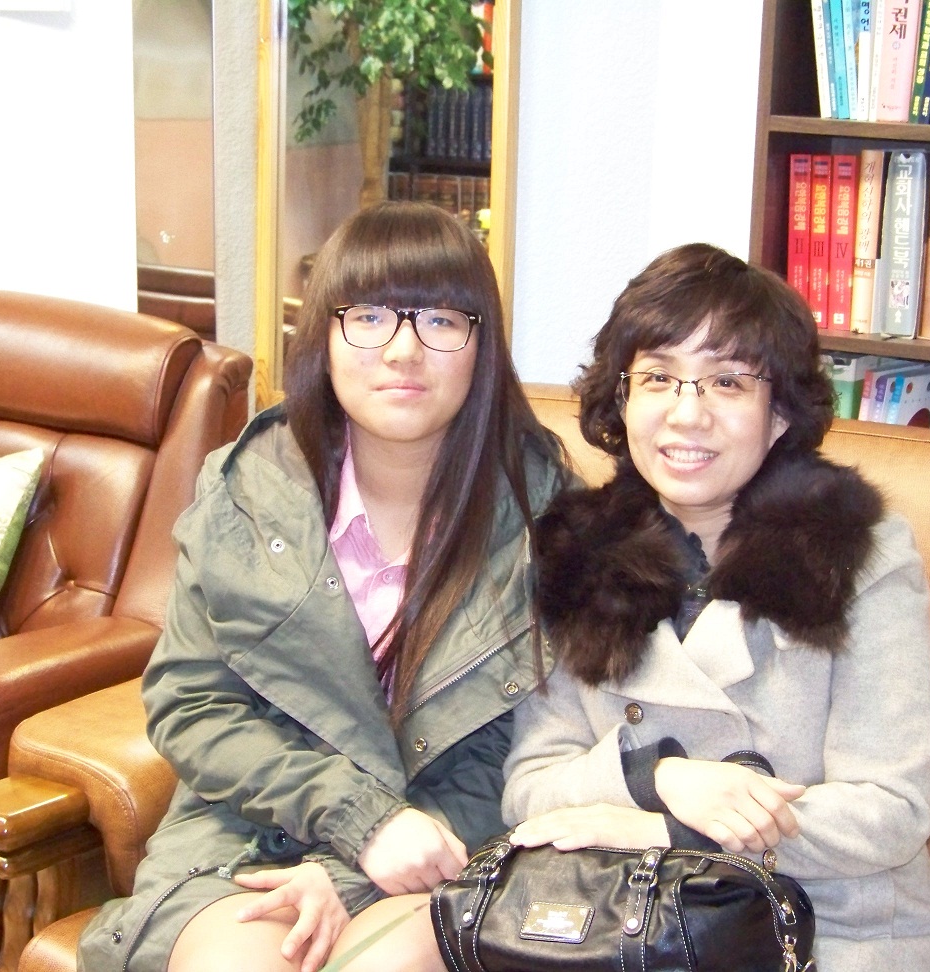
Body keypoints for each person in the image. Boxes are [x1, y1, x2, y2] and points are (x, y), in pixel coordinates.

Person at [76, 201, 568, 972]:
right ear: (324, 339)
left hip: (451, 848)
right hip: (250, 834)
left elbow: (537, 742)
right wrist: (358, 822)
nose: (403, 350)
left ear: (482, 343)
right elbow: (193, 705)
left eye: (441, 320)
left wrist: (358, 866)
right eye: (368, 317)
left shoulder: (546, 517)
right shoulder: (247, 491)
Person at [501, 244, 930, 972]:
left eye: (727, 382)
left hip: (832, 931)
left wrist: (671, 830)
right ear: (622, 401)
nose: (688, 415)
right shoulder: (578, 552)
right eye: (658, 378)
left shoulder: (856, 554)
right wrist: (658, 777)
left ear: (780, 414)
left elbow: (890, 811)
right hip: (633, 930)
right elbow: (531, 789)